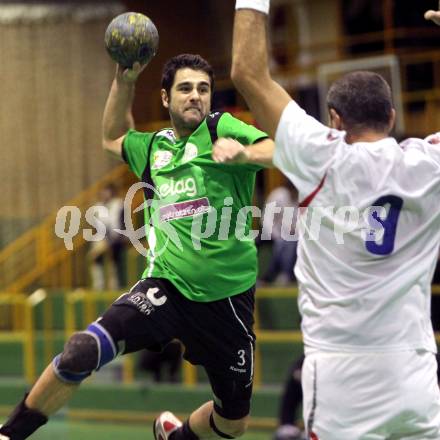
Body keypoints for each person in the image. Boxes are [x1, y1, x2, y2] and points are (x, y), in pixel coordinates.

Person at [0, 54, 274, 440]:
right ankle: (10, 433)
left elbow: (274, 149)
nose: (195, 96)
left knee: (233, 423)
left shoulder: (220, 129)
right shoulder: (153, 148)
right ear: (165, 98)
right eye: (185, 88)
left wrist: (244, 153)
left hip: (227, 302)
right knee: (81, 350)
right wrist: (124, 80)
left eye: (203, 88)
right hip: (166, 288)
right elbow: (111, 136)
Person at [212, 2, 440, 438]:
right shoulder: (429, 163)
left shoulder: (321, 155)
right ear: (391, 117)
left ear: (334, 120)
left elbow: (247, 71)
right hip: (414, 372)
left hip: (341, 375)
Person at [88, 184, 125, 290]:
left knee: (114, 257)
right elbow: (96, 226)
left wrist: (115, 237)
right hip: (102, 236)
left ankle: (115, 284)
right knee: (94, 255)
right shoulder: (97, 207)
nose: (105, 195)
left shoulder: (118, 204)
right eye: (104, 192)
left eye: (108, 192)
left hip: (116, 236)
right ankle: (98, 285)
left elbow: (122, 222)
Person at [260, 184, 298, 285]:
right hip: (272, 233)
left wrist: (295, 230)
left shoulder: (302, 197)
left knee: (290, 242)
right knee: (283, 243)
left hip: (294, 237)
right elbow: (266, 219)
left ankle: (284, 274)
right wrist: (277, 236)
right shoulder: (279, 195)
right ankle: (277, 274)